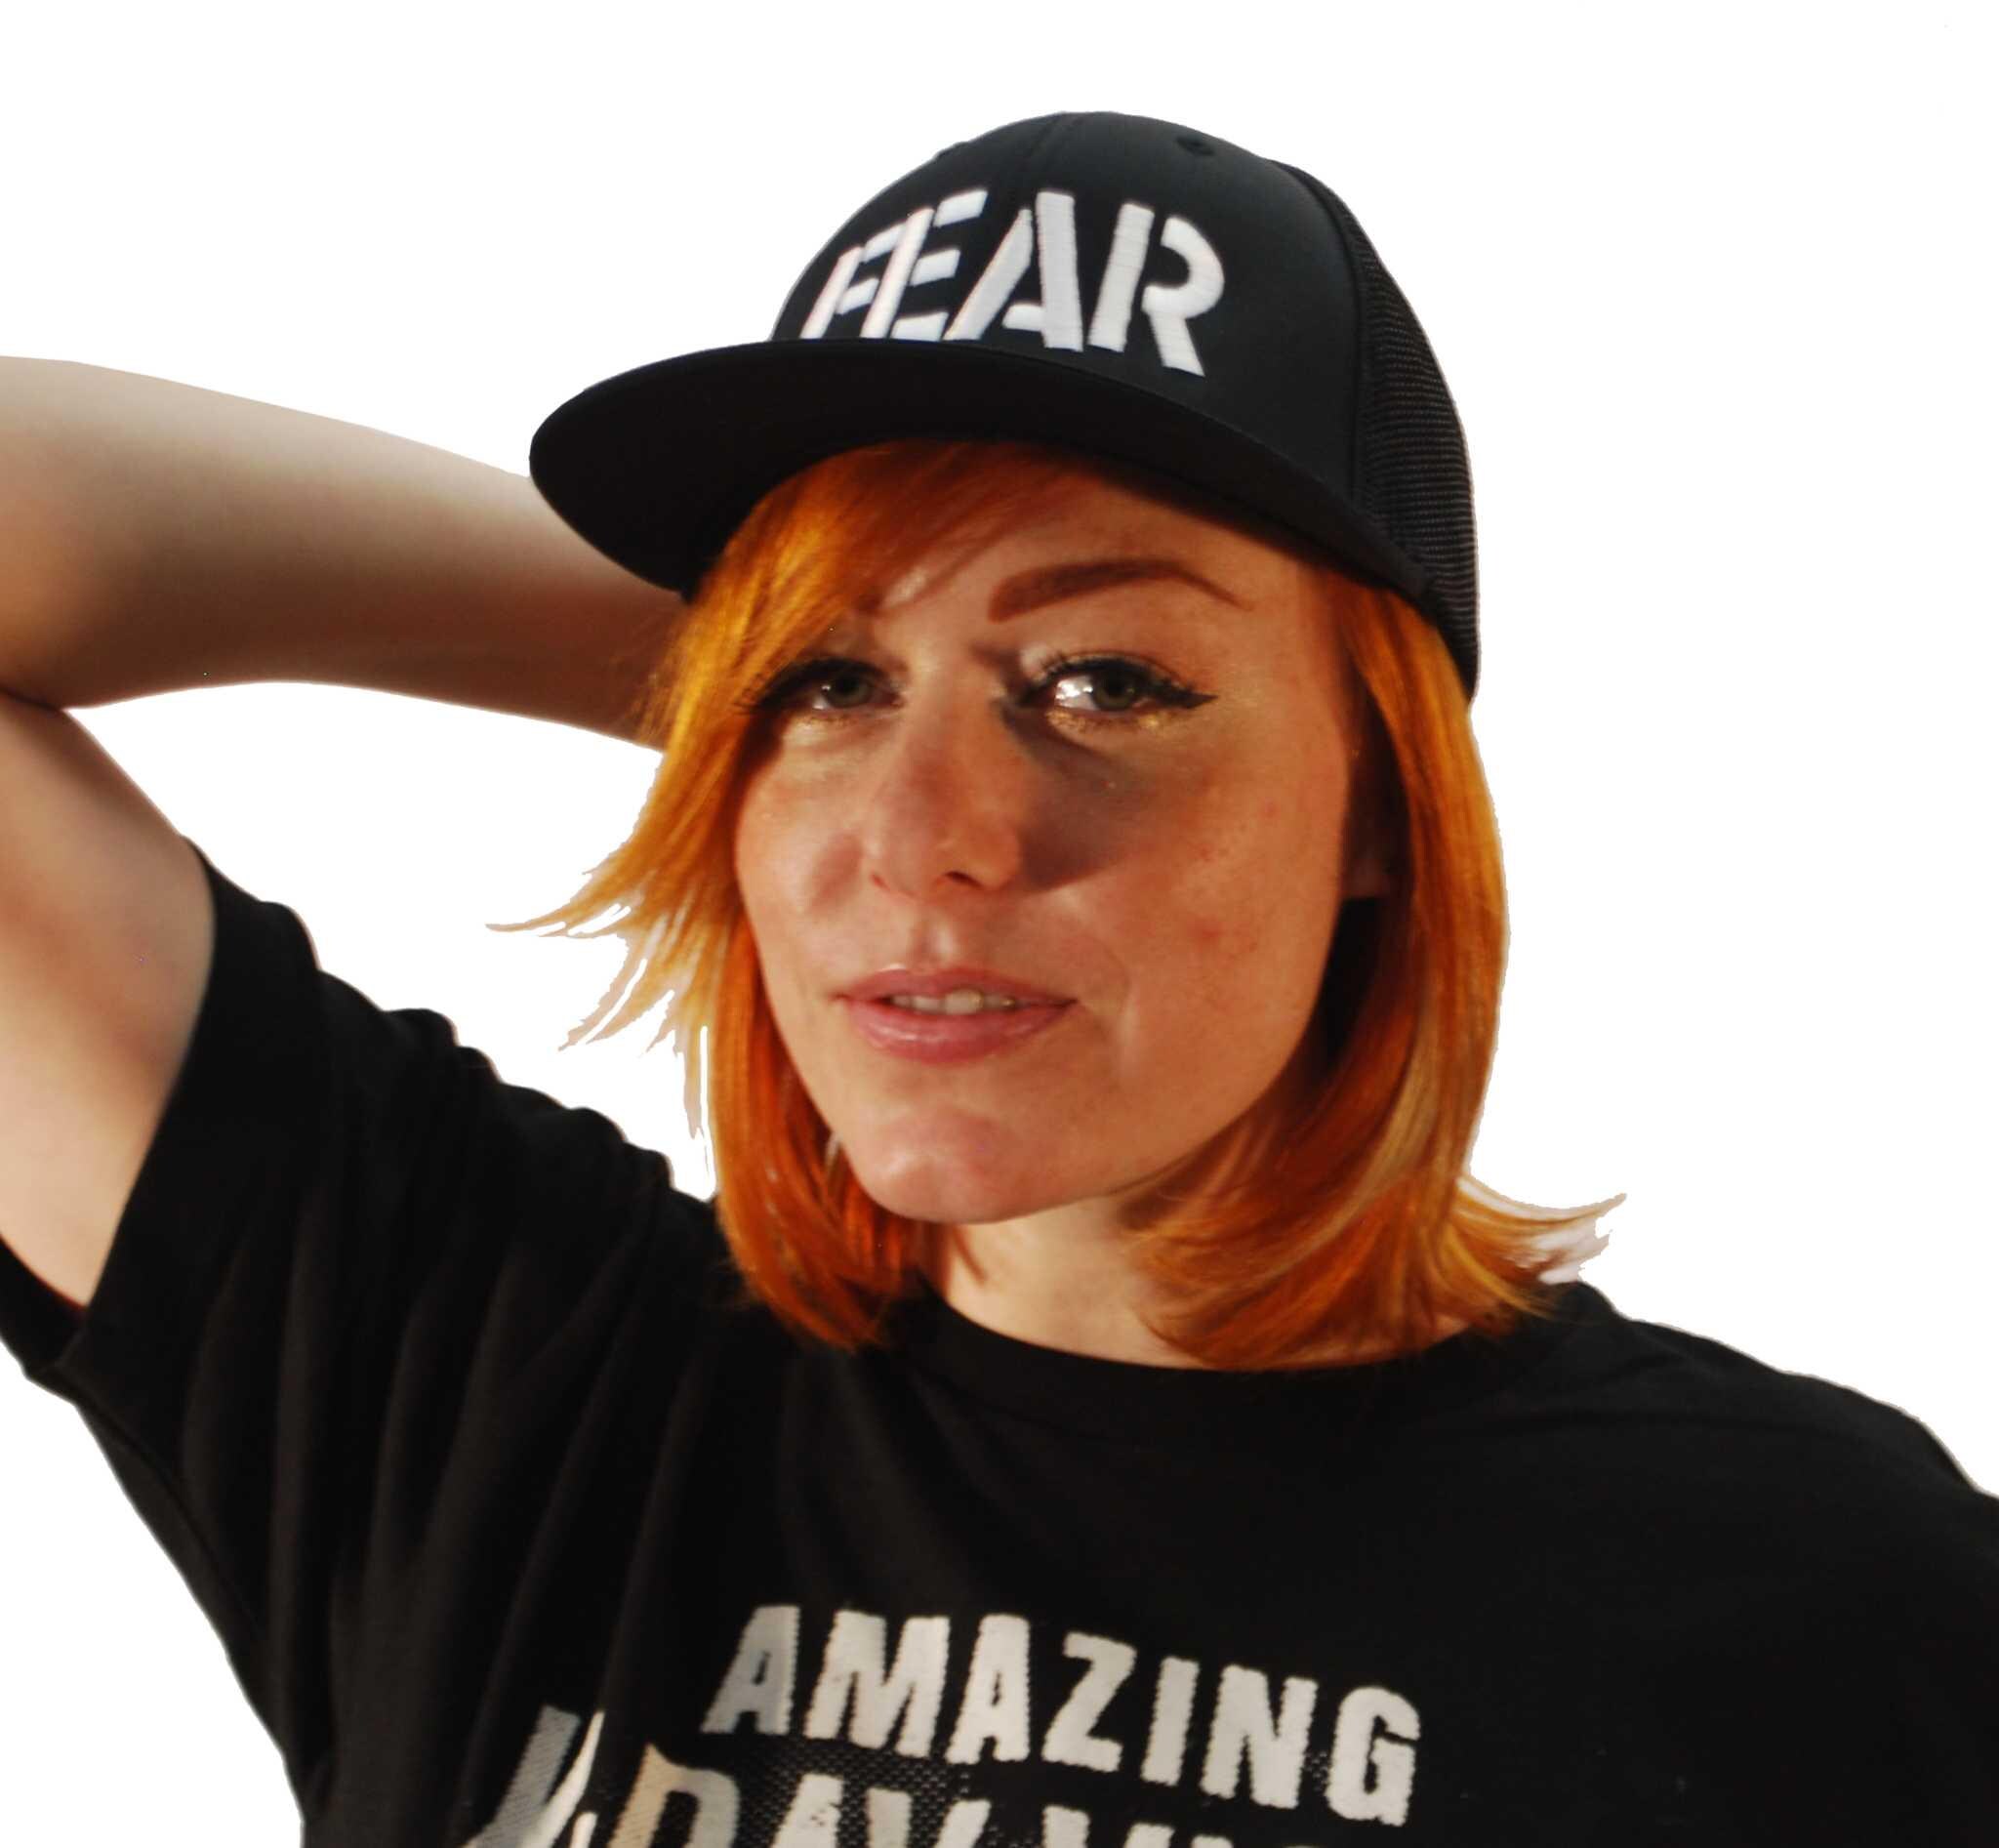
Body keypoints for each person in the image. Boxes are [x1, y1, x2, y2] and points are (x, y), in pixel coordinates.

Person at [0, 109, 1991, 1845]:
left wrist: (853, 625)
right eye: (832, 689)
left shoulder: (1811, 1592)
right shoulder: (488, 1375)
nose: (925, 834)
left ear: (1384, 801)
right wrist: (740, 644)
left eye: (1104, 680)